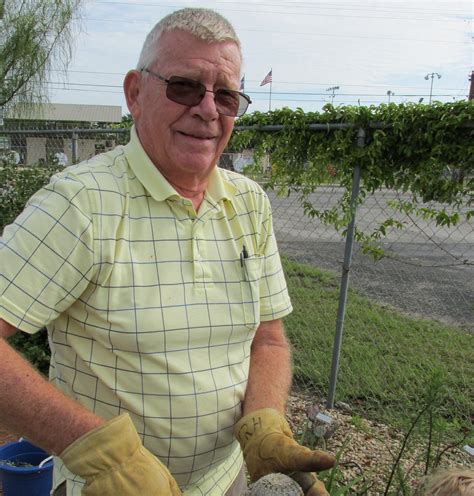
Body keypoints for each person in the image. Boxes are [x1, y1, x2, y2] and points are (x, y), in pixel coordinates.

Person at [0, 8, 334, 496]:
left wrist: (264, 422)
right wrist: (101, 456)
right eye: (184, 87)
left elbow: (268, 339)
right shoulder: (81, 204)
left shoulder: (249, 203)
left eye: (226, 95)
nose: (207, 109)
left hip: (226, 481)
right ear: (135, 93)